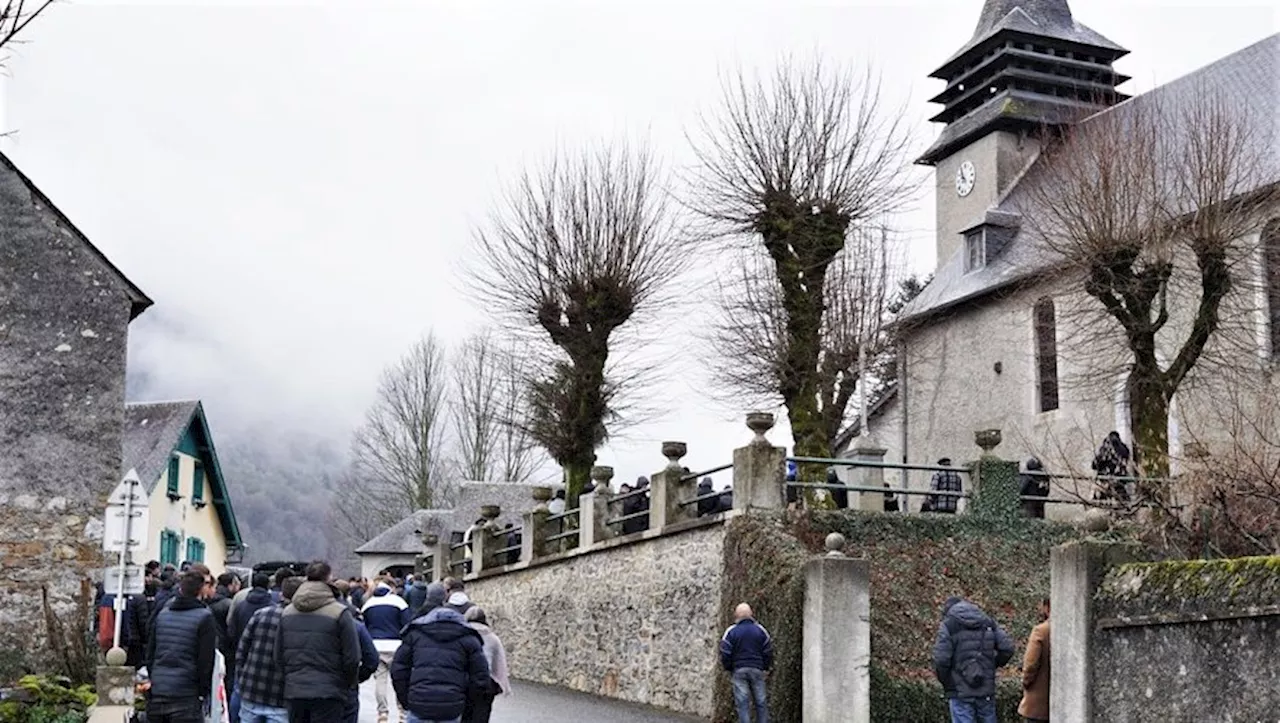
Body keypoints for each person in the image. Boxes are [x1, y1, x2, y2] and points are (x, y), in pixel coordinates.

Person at [277, 561, 362, 723]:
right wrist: (346, 684)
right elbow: (352, 657)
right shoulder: (340, 613)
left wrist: (289, 681)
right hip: (330, 691)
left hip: (295, 690)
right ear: (329, 579)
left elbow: (278, 655)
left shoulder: (287, 612)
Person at [391, 599, 490, 723]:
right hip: (452, 705)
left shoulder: (415, 634)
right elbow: (480, 677)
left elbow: (398, 669)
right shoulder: (469, 638)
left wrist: (406, 699)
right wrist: (466, 702)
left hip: (420, 703)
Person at [145, 568, 217, 723]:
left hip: (159, 690)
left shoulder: (163, 615)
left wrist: (155, 680)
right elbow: (205, 661)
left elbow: (151, 653)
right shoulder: (205, 618)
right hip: (186, 694)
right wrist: (203, 691)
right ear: (201, 590)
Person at [932, 596, 1015, 723]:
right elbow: (1007, 648)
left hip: (959, 692)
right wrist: (992, 665)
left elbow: (941, 660)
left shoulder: (948, 625)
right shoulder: (987, 621)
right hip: (985, 690)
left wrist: (948, 683)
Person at [236, 576, 303, 723]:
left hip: (252, 689)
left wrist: (242, 678)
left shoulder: (261, 614)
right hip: (281, 695)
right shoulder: (301, 622)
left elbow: (242, 650)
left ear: (281, 594)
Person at [363, 581, 411, 723]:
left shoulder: (368, 604)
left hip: (376, 646)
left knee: (380, 681)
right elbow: (407, 624)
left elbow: (364, 627)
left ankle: (382, 713)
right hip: (396, 646)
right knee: (400, 680)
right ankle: (402, 712)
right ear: (391, 589)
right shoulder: (399, 602)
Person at [720, 603, 772, 723]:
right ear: (751, 614)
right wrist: (765, 667)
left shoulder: (731, 632)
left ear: (736, 616)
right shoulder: (760, 630)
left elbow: (725, 652)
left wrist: (729, 667)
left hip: (739, 669)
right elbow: (768, 650)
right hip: (757, 669)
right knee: (761, 702)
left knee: (743, 704)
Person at [462, 607, 509, 723]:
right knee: (481, 717)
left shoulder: (462, 635)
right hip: (486, 685)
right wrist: (500, 685)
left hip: (465, 682)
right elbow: (500, 663)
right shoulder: (493, 638)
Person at [1018, 598, 1051, 723]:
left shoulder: (1041, 631)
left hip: (1039, 701)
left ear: (1047, 608)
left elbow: (1031, 663)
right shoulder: (1073, 629)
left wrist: (1026, 681)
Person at [1092, 431, 1132, 502]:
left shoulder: (1106, 448)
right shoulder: (1124, 448)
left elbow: (1094, 465)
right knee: (1123, 500)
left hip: (1107, 479)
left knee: (1101, 498)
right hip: (1120, 479)